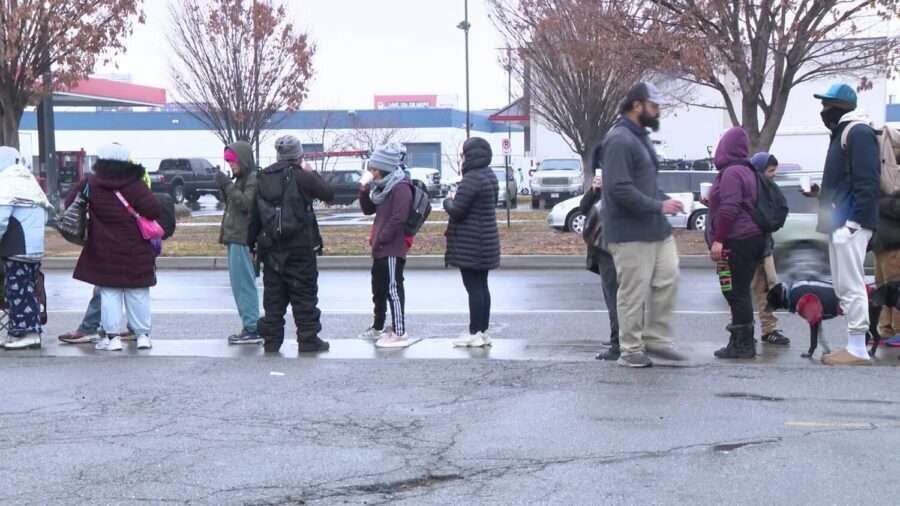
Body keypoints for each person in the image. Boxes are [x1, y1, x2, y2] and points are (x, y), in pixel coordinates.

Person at [602, 82, 684, 368]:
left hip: (655, 229)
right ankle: (631, 349)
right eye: (654, 106)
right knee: (633, 293)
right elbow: (619, 189)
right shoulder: (619, 140)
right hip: (629, 232)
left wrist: (664, 200)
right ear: (637, 105)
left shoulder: (640, 138)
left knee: (668, 278)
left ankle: (657, 340)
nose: (657, 112)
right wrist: (658, 206)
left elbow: (645, 184)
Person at [806, 83, 880, 365]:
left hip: (850, 222)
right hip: (842, 222)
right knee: (844, 286)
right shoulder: (844, 132)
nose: (823, 110)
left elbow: (867, 182)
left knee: (851, 284)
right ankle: (854, 344)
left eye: (827, 105)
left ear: (840, 107)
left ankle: (858, 348)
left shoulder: (857, 132)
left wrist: (854, 222)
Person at [71, 143, 161, 352]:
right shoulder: (135, 184)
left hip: (103, 249)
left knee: (109, 293)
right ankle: (143, 336)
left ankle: (112, 339)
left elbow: (70, 204)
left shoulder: (91, 183)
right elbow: (154, 210)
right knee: (138, 292)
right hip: (135, 248)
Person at [250, 135, 334, 354]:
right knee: (304, 295)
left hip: (271, 247)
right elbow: (328, 194)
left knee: (273, 298)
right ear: (299, 155)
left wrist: (251, 245)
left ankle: (272, 341)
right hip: (300, 246)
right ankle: (308, 339)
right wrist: (311, 173)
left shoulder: (263, 177)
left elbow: (255, 214)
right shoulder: (302, 176)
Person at [707, 127, 766, 359]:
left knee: (735, 291)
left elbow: (730, 209)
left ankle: (742, 344)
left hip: (736, 241)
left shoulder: (731, 173)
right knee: (737, 290)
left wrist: (718, 240)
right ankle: (740, 340)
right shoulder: (747, 170)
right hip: (750, 238)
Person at [357, 144, 415, 348]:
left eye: (374, 169)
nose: (372, 172)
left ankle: (399, 331)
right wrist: (363, 190)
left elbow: (399, 218)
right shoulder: (381, 187)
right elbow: (368, 209)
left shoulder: (401, 187)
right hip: (380, 247)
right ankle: (378, 326)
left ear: (383, 168)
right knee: (379, 289)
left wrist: (381, 238)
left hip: (392, 247)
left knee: (393, 289)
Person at [445, 137, 501, 348]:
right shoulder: (489, 175)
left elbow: (458, 210)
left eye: (463, 154)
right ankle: (482, 331)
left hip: (471, 243)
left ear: (470, 155)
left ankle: (475, 332)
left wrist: (447, 201)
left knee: (474, 288)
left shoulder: (471, 179)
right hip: (486, 241)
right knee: (482, 287)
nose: (462, 158)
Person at [0, 147, 51, 350]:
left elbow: (1, 218)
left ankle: (29, 333)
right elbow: (46, 214)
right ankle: (17, 332)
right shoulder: (29, 182)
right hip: (33, 247)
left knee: (18, 292)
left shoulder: (7, 183)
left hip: (16, 247)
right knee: (26, 289)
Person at [217, 141, 261, 345]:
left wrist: (227, 185)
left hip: (242, 239)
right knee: (240, 285)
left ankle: (252, 328)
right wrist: (226, 186)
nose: (230, 165)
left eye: (232, 161)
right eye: (228, 161)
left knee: (244, 285)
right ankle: (249, 326)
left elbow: (245, 204)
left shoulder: (252, 179)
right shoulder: (243, 179)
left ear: (242, 160)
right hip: (236, 238)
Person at [581, 145, 620, 361]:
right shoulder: (604, 185)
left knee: (616, 297)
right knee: (612, 296)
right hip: (602, 246)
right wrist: (594, 190)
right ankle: (619, 337)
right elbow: (583, 207)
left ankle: (619, 343)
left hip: (612, 246)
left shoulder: (622, 181)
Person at [749, 152, 790, 346]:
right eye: (770, 171)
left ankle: (769, 329)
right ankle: (744, 330)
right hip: (750, 247)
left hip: (764, 247)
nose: (773, 175)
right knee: (746, 292)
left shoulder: (769, 190)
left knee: (767, 288)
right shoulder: (752, 189)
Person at [873, 169, 900, 348]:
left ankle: (898, 330)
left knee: (896, 290)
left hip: (895, 247)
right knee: (883, 290)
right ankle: (886, 329)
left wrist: (880, 201)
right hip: (881, 247)